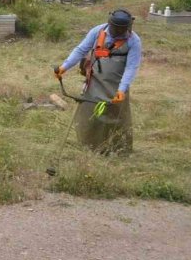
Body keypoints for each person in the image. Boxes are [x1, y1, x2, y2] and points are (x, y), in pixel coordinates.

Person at [54, 9, 141, 154]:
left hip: (117, 85)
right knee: (91, 116)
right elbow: (81, 50)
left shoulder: (134, 41)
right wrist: (65, 67)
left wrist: (122, 89)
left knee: (116, 119)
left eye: (121, 30)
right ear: (109, 24)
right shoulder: (97, 31)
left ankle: (118, 150)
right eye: (115, 28)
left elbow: (131, 67)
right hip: (95, 81)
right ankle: (89, 147)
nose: (118, 32)